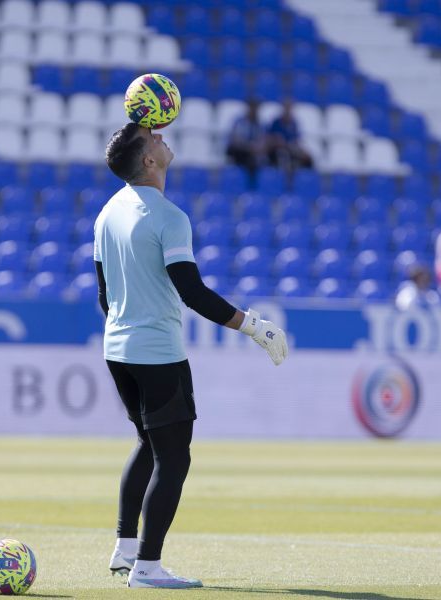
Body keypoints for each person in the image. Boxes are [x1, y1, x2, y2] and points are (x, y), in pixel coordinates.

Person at [96, 123, 288, 589]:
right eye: (155, 140)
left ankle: (124, 551)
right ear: (148, 161)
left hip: (117, 348)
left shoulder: (106, 214)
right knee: (174, 459)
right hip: (157, 351)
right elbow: (192, 292)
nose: (163, 139)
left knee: (148, 444)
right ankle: (147, 568)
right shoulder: (168, 216)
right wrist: (253, 326)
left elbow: (103, 295)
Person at [225, 100, 267, 182]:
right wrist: (249, 146)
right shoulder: (239, 122)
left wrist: (257, 147)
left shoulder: (261, 124)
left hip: (254, 153)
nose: (254, 110)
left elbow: (263, 141)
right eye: (252, 108)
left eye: (256, 108)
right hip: (241, 151)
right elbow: (235, 139)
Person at [266, 99, 313, 172]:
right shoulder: (276, 123)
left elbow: (296, 139)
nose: (288, 110)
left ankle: (303, 178)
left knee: (307, 158)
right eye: (286, 108)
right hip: (277, 150)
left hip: (291, 149)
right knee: (282, 154)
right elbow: (270, 137)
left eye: (289, 108)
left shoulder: (294, 123)